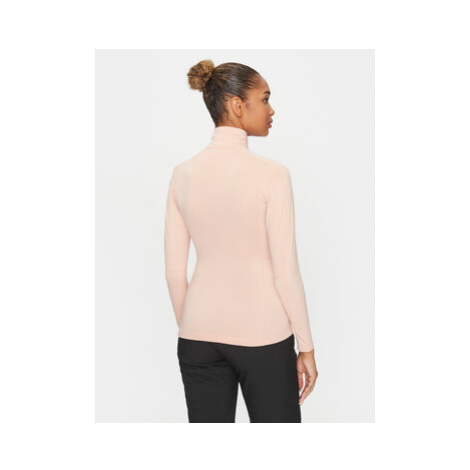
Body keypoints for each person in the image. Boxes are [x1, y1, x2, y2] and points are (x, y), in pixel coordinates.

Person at [164, 59, 318, 423]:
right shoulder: (272, 175)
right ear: (237, 105)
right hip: (262, 337)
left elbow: (174, 272)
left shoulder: (183, 174)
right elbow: (285, 273)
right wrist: (306, 346)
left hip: (197, 338)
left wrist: (195, 326)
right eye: (264, 99)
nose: (271, 109)